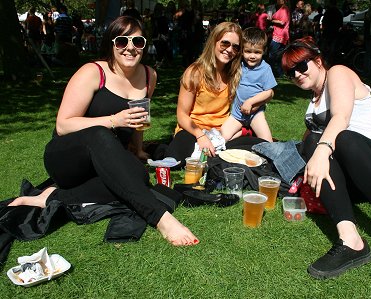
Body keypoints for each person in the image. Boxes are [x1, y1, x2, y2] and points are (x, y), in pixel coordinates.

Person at [8, 16, 199, 247]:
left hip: (105, 158)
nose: (130, 48)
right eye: (122, 41)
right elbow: (63, 125)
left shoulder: (149, 75)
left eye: (137, 41)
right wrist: (113, 120)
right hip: (68, 158)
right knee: (100, 133)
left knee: (137, 176)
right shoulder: (92, 72)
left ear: (144, 45)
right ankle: (160, 217)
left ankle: (51, 197)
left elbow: (138, 120)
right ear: (111, 43)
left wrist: (138, 150)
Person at [281, 36, 371, 290]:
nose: (296, 74)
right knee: (312, 141)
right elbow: (308, 142)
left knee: (342, 138)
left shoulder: (338, 73)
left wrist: (322, 150)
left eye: (301, 66)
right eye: (290, 72)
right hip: (352, 182)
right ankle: (351, 242)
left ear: (318, 61)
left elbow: (341, 118)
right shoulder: (312, 102)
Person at [165, 22, 243, 166]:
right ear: (213, 42)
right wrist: (201, 136)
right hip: (193, 131)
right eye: (225, 43)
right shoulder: (194, 73)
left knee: (254, 148)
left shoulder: (235, 75)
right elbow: (182, 115)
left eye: (235, 47)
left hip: (222, 134)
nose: (229, 50)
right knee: (174, 160)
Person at [221, 27, 277, 142]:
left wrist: (250, 102)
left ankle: (250, 131)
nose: (252, 56)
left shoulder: (265, 69)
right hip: (237, 113)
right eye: (248, 51)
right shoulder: (238, 65)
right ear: (242, 51)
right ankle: (245, 132)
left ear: (263, 51)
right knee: (222, 138)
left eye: (257, 52)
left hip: (256, 114)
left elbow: (269, 92)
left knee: (267, 143)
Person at [267, 0, 290, 77]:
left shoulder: (284, 9)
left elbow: (282, 22)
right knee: (278, 55)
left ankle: (274, 72)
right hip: (276, 34)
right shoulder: (272, 8)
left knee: (272, 55)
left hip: (280, 35)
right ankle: (279, 73)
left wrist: (272, 21)